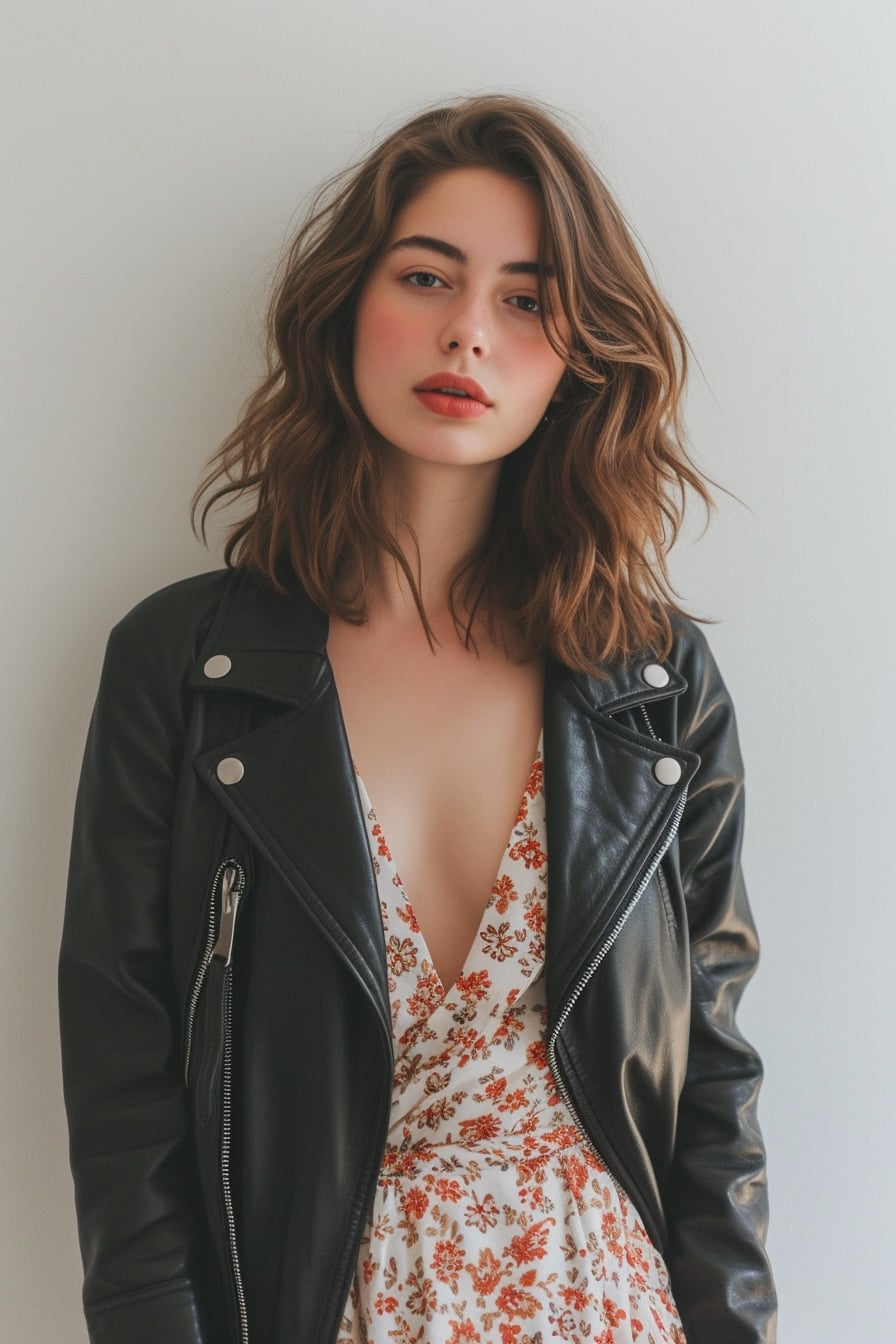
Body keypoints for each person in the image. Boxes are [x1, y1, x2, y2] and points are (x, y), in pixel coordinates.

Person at [59, 94, 776, 1344]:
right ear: (345, 308)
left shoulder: (650, 683)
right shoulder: (188, 665)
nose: (465, 332)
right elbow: (122, 1077)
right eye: (426, 275)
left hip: (602, 1299)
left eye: (524, 298)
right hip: (315, 1302)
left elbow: (710, 1077)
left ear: (575, 355)